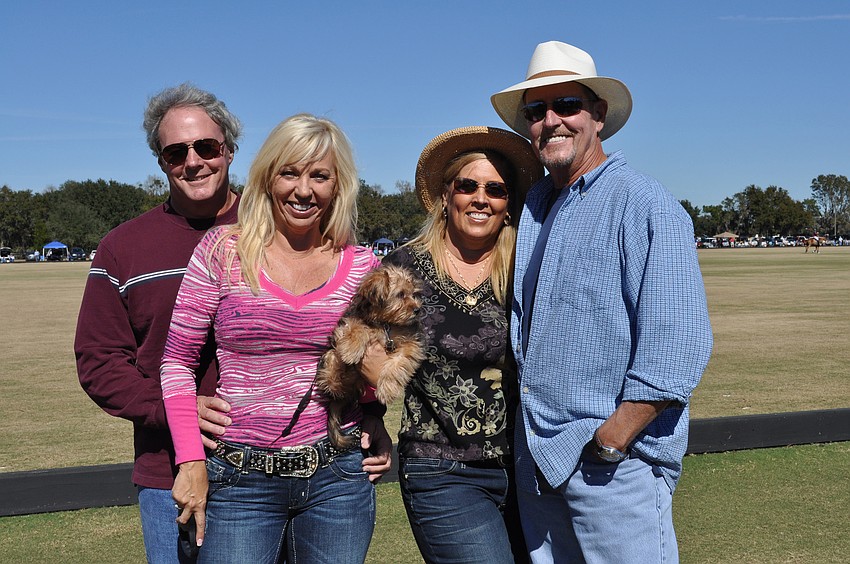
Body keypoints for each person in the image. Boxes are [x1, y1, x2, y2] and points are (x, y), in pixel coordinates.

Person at [490, 41, 713, 562]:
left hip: (614, 466)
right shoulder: (539, 203)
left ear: (598, 115)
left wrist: (613, 439)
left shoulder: (642, 201)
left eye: (566, 105)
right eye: (536, 110)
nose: (551, 120)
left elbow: (678, 341)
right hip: (539, 464)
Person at [160, 113, 387, 563]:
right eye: (290, 172)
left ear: (338, 186)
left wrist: (375, 414)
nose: (303, 190)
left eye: (319, 176)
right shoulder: (224, 250)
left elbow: (373, 370)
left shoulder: (363, 267)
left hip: (337, 479)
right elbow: (177, 364)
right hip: (238, 479)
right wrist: (190, 461)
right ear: (267, 178)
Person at [75, 83, 243, 563]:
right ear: (160, 162)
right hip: (166, 470)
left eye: (206, 147)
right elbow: (99, 360)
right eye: (175, 152)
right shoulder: (122, 248)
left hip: (272, 467)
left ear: (228, 148)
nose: (193, 162)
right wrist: (172, 409)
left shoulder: (277, 227)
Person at [381, 126, 543, 563]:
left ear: (508, 206)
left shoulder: (528, 269)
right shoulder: (403, 268)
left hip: (531, 468)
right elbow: (357, 351)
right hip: (442, 470)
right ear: (447, 195)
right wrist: (369, 422)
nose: (480, 198)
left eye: (496, 189)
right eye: (467, 185)